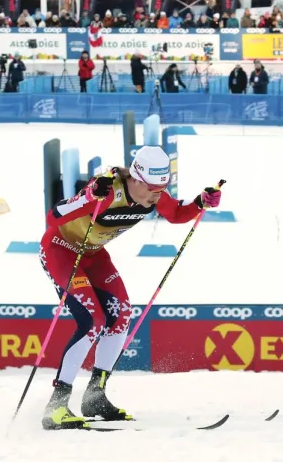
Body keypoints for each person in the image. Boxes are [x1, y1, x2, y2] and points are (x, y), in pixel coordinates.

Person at [39, 146, 222, 430]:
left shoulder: (155, 196)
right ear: (135, 179)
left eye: (161, 189)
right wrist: (88, 197)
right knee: (92, 322)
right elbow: (54, 217)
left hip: (93, 255)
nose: (155, 196)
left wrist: (200, 202)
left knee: (122, 316)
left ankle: (95, 397)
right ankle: (56, 406)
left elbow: (175, 213)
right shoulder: (107, 190)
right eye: (150, 189)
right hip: (61, 250)